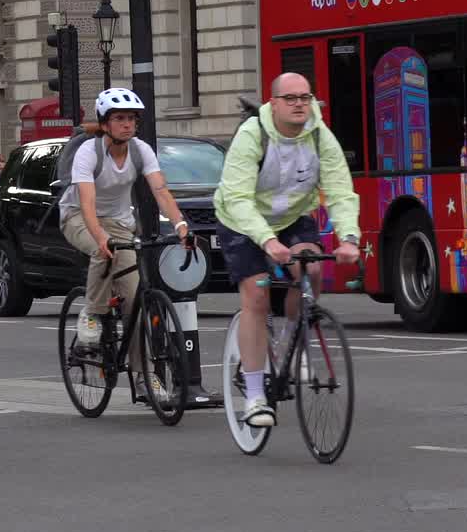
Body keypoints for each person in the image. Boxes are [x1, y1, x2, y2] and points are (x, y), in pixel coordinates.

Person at [213, 72, 361, 429]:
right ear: (274, 103)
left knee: (310, 269)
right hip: (240, 220)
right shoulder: (253, 135)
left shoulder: (320, 135)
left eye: (305, 98)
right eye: (291, 98)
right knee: (257, 295)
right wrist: (267, 241)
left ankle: (294, 337)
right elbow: (237, 198)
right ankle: (254, 397)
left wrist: (349, 238)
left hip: (293, 216)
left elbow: (340, 189)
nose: (299, 104)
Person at [60, 88, 195, 362]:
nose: (127, 124)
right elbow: (86, 203)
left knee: (135, 303)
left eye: (132, 119)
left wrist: (180, 224)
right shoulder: (89, 152)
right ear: (104, 124)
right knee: (102, 251)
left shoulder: (140, 150)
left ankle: (143, 379)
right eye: (120, 118)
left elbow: (161, 191)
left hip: (120, 223)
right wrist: (99, 236)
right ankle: (92, 315)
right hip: (77, 216)